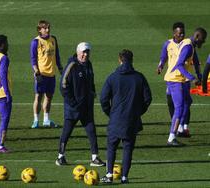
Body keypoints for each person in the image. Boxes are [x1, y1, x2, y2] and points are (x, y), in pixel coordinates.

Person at [100, 49, 152, 184]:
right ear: (132, 60)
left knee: (111, 147)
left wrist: (110, 113)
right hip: (132, 120)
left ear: (119, 60)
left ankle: (109, 175)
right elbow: (148, 99)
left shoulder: (112, 77)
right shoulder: (139, 77)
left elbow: (103, 99)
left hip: (115, 119)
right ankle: (124, 177)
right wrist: (138, 112)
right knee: (128, 148)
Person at [55, 42, 105, 167]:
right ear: (77, 52)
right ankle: (60, 157)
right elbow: (63, 85)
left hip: (87, 106)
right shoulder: (71, 65)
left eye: (87, 51)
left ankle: (95, 157)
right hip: (73, 108)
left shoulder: (89, 65)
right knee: (67, 131)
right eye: (83, 52)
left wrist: (92, 92)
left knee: (91, 131)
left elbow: (90, 81)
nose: (85, 54)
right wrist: (72, 102)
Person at [164, 27, 207, 146]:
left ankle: (181, 129)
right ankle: (171, 137)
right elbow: (179, 65)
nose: (202, 43)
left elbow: (196, 60)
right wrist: (192, 78)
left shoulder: (190, 44)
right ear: (197, 36)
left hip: (179, 79)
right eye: (202, 40)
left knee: (187, 101)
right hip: (176, 79)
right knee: (179, 107)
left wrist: (199, 75)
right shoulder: (188, 47)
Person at [30, 20, 63, 128]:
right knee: (38, 96)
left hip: (51, 74)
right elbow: (33, 59)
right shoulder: (36, 42)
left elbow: (56, 56)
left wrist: (60, 68)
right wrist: (37, 73)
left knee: (49, 97)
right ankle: (35, 120)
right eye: (45, 28)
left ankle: (46, 119)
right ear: (39, 29)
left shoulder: (53, 39)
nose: (48, 30)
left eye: (48, 28)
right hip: (41, 74)